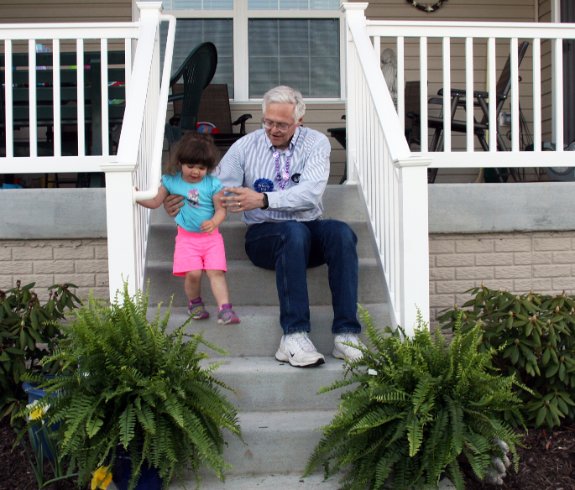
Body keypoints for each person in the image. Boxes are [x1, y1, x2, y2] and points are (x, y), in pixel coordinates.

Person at [164, 85, 361, 367]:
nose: (273, 129)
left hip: (308, 226)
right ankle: (293, 335)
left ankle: (346, 335)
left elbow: (311, 193)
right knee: (291, 233)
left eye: (282, 124)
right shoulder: (245, 146)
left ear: (299, 121)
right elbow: (216, 187)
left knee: (342, 233)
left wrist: (264, 199)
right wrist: (179, 199)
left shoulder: (316, 143)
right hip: (263, 237)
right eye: (268, 121)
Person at [138, 132, 239, 325]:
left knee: (215, 271)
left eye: (201, 168)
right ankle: (195, 304)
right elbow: (154, 202)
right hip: (187, 239)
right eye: (190, 166)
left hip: (211, 238)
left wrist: (214, 222)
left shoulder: (213, 184)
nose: (195, 171)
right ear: (180, 162)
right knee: (192, 273)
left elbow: (221, 210)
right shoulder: (171, 181)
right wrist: (135, 195)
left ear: (208, 168)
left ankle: (225, 309)